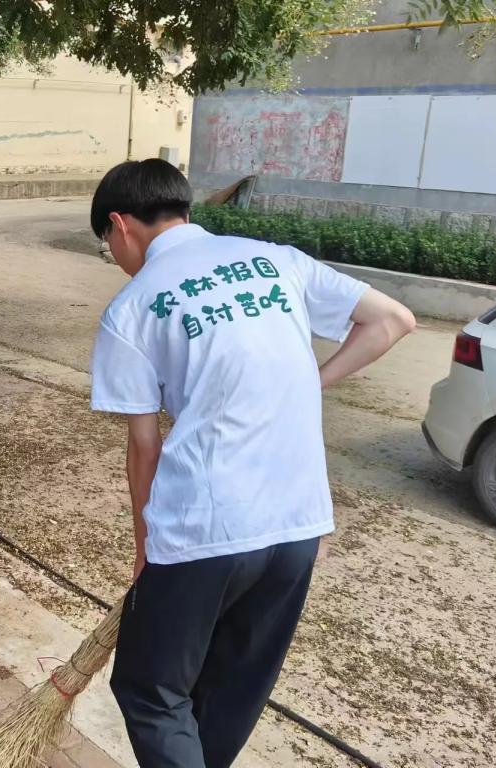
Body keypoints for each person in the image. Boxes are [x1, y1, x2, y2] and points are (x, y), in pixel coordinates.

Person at [89, 159, 415, 767]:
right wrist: (313, 381)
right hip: (297, 525)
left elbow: (144, 446)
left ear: (120, 224)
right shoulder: (276, 260)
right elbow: (394, 320)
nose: (115, 257)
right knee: (231, 687)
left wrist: (145, 548)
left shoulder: (132, 308)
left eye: (107, 243)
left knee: (150, 690)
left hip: (205, 530)